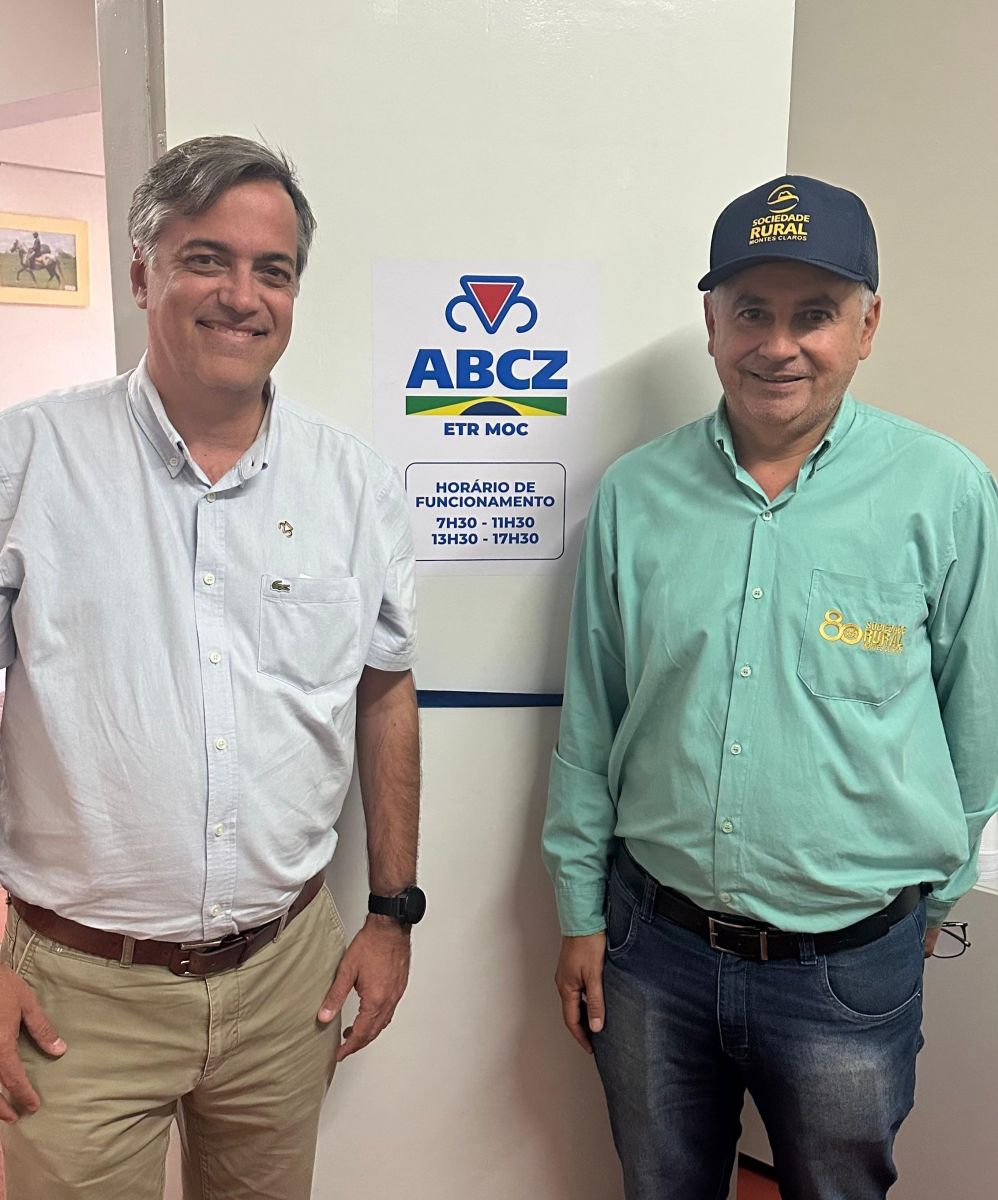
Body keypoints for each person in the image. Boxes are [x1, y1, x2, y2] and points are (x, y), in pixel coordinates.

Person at [543, 175, 998, 1200]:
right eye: (751, 312)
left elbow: (977, 721)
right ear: (712, 324)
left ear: (866, 326)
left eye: (814, 314)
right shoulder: (635, 495)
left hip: (849, 967)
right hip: (651, 950)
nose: (778, 345)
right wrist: (578, 911)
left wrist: (930, 901)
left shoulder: (946, 493)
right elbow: (593, 718)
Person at [0, 135, 425, 1200]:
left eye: (271, 270)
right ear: (141, 274)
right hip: (77, 994)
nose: (242, 295)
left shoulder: (355, 486)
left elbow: (384, 695)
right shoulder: (25, 463)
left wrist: (392, 913)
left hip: (285, 980)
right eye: (206, 259)